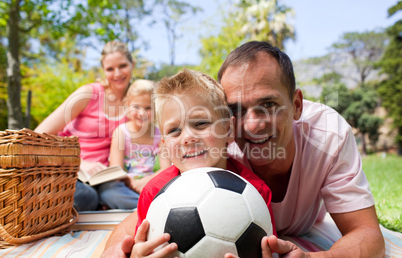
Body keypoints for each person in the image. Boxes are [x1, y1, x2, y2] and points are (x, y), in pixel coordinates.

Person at [101, 41, 385, 258]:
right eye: (237, 109)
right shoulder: (212, 148)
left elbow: (367, 233)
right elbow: (152, 209)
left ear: (297, 105)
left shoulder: (328, 134)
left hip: (305, 226)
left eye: (269, 104)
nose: (252, 125)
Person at [131, 69, 276, 257]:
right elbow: (141, 247)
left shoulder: (257, 192)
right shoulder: (153, 193)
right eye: (175, 130)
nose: (188, 138)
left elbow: (269, 250)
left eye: (200, 123)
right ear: (165, 145)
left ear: (229, 129)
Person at [35, 40, 133, 211]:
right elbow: (39, 135)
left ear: (132, 65)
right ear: (103, 70)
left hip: (102, 177)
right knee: (85, 197)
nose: (117, 73)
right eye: (110, 69)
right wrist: (80, 163)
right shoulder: (88, 93)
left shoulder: (136, 102)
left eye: (123, 66)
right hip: (70, 168)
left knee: (113, 196)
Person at [102, 79, 164, 209]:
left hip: (150, 185)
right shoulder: (121, 132)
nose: (142, 113)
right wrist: (134, 184)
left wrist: (144, 183)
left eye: (148, 108)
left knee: (168, 184)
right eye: (136, 107)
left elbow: (166, 169)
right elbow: (116, 170)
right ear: (127, 105)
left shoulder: (159, 134)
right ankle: (147, 208)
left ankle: (146, 205)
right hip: (125, 186)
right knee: (108, 191)